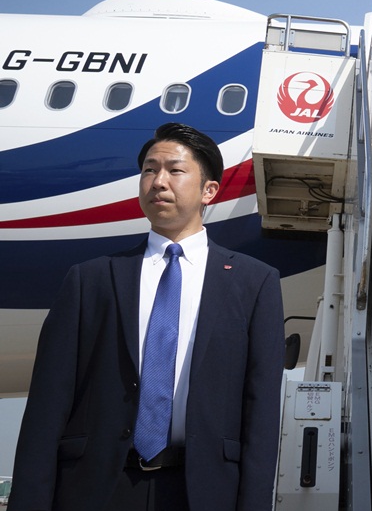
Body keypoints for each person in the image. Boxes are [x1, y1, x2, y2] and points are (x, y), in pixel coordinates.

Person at [9, 123, 284, 511]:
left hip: (202, 491)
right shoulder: (91, 279)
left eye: (174, 170)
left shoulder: (255, 283)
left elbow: (261, 413)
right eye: (149, 170)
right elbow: (46, 407)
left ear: (209, 191)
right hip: (97, 488)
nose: (158, 181)